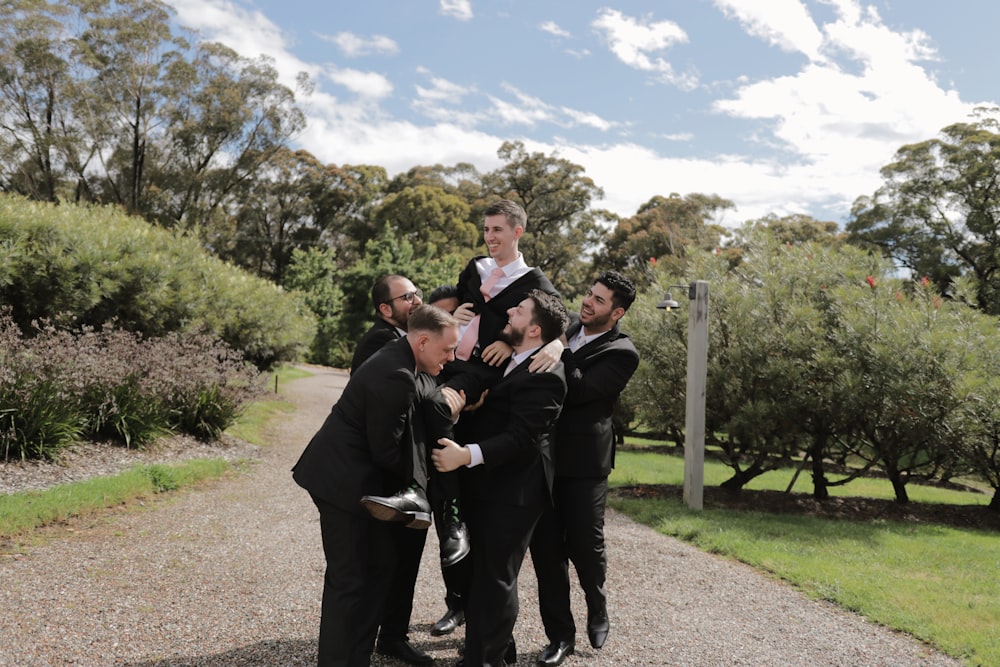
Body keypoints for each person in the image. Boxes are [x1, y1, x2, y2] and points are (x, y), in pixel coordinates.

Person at [292, 305, 462, 667]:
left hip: (357, 479)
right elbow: (386, 452)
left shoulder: (405, 360)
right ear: (422, 341)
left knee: (377, 569)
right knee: (350, 582)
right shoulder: (396, 374)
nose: (451, 358)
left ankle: (358, 655)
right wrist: (420, 487)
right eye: (447, 350)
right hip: (343, 483)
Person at [431, 199, 564, 637]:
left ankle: (481, 624)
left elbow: (559, 326)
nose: (490, 237)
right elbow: (448, 302)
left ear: (518, 232)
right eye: (486, 230)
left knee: (441, 425)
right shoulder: (475, 269)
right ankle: (457, 601)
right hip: (451, 363)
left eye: (498, 230)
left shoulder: (536, 283)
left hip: (484, 382)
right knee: (437, 463)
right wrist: (453, 317)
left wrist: (543, 346)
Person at [528, 271, 640, 666]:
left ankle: (597, 603)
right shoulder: (569, 329)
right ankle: (560, 636)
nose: (588, 302)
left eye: (599, 300)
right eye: (589, 293)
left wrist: (558, 348)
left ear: (617, 312)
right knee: (544, 550)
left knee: (585, 547)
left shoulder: (622, 352)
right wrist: (560, 340)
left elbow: (579, 391)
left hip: (584, 465)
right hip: (542, 459)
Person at [349, 275, 438, 666]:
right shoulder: (381, 342)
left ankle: (392, 636)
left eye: (418, 293)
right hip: (389, 471)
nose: (417, 300)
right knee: (387, 560)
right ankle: (375, 639)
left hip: (406, 468)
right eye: (408, 297)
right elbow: (419, 389)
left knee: (406, 557)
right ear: (386, 309)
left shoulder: (403, 339)